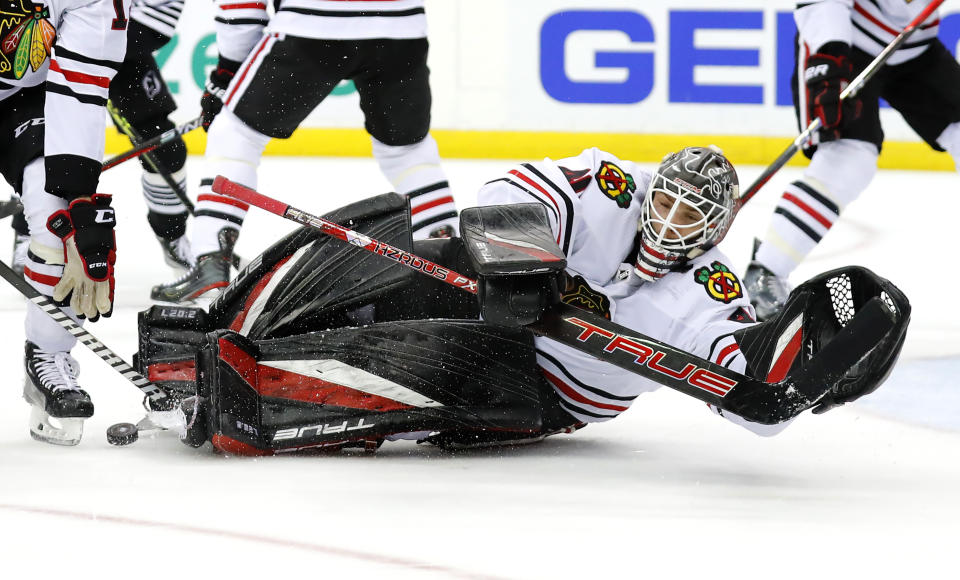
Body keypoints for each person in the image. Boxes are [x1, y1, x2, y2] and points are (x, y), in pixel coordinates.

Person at [136, 146, 909, 455]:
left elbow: (748, 387)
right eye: (664, 204)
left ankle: (261, 394)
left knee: (423, 361)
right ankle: (234, 318)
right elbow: (515, 189)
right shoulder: (613, 183)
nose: (668, 226)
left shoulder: (709, 288)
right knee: (402, 241)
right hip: (501, 302)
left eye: (689, 219)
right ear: (651, 191)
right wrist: (524, 264)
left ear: (716, 230)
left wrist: (814, 360)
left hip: (546, 391)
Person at [150, 0, 459, 304]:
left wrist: (229, 74)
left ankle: (210, 260)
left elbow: (242, 7)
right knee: (408, 151)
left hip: (315, 23)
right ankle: (450, 260)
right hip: (402, 28)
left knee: (235, 133)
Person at [745, 0, 959, 320]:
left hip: (914, 43)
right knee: (848, 158)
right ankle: (764, 274)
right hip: (844, 38)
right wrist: (828, 57)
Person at [0, 0, 128, 444]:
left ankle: (48, 355)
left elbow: (81, 83)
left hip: (17, 100)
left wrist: (79, 203)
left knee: (58, 221)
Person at [8, 0, 191, 276]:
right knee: (43, 143)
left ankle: (173, 236)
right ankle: (33, 232)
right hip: (49, 35)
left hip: (115, 35)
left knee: (166, 146)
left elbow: (157, 18)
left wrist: (100, 43)